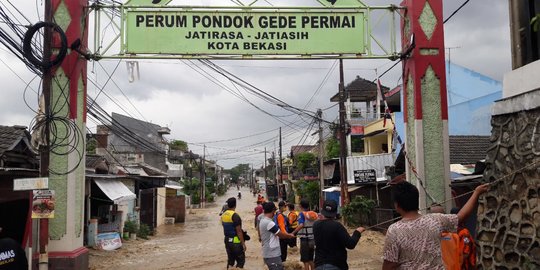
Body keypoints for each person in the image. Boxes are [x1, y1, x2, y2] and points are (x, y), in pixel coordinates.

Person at [382, 181, 489, 270]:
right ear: (417, 201)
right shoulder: (436, 220)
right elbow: (462, 216)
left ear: (397, 205)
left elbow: (389, 265)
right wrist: (476, 193)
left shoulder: (394, 230)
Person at [313, 200, 365, 270]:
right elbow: (350, 244)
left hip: (319, 264)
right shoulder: (337, 226)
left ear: (323, 210)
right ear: (335, 213)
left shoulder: (316, 225)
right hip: (335, 264)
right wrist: (357, 232)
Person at [258, 202, 295, 270]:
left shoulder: (262, 220)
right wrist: (289, 235)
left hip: (268, 253)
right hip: (272, 254)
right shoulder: (269, 223)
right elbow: (280, 234)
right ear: (273, 211)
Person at [291, 199, 318, 270]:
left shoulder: (302, 214)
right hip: (312, 239)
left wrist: (293, 233)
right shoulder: (314, 214)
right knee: (311, 259)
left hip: (305, 240)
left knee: (305, 261)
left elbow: (301, 225)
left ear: (301, 206)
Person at [221, 197, 246, 269]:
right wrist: (243, 244)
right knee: (241, 260)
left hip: (227, 240)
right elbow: (239, 231)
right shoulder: (235, 216)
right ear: (235, 205)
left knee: (230, 260)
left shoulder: (223, 215)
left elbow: (225, 227)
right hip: (235, 240)